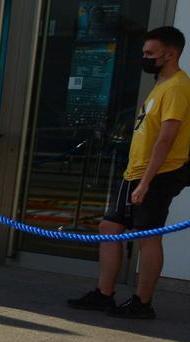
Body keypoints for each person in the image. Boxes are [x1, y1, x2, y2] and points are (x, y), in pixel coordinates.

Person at [69, 26, 190, 319]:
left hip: (158, 174)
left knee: (148, 238)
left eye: (150, 53)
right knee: (109, 228)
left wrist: (146, 182)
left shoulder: (176, 87)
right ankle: (104, 294)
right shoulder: (161, 84)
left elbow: (166, 138)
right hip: (134, 172)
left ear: (170, 54)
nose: (145, 58)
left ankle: (142, 303)